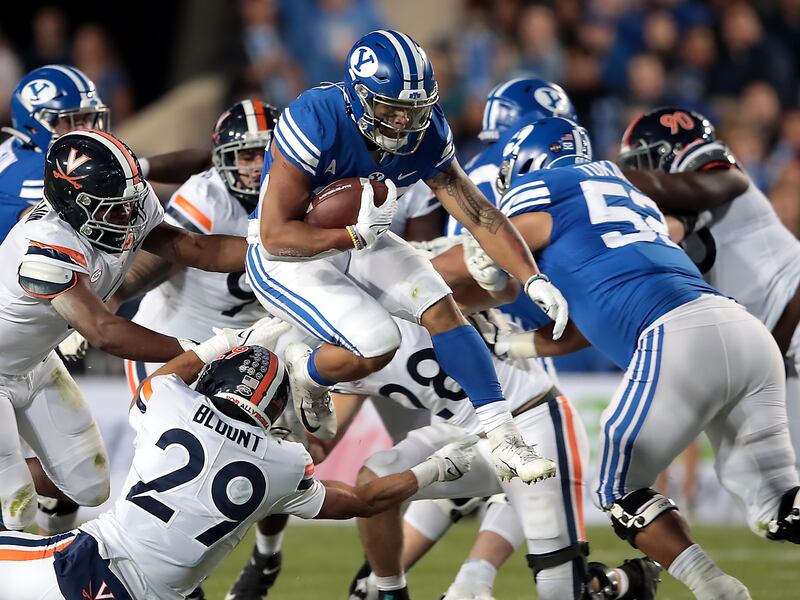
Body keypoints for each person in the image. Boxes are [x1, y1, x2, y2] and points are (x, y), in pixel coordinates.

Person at [460, 116, 800, 599]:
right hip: (747, 333)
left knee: (618, 489)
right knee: (781, 508)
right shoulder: (631, 199)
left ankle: (717, 589)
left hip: (677, 335)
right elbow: (576, 329)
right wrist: (508, 344)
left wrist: (419, 272)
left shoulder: (541, 188)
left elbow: (501, 245)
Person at [247, 30, 568, 485]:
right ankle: (310, 370)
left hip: (360, 237)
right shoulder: (315, 117)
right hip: (289, 254)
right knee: (379, 344)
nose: (401, 121)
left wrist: (532, 278)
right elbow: (275, 233)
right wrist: (349, 236)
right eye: (389, 108)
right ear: (359, 97)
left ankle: (503, 436)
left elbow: (477, 212)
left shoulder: (428, 130)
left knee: (441, 307)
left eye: (412, 110)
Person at [0, 334, 477, 600]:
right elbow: (362, 500)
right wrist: (437, 468)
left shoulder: (169, 403)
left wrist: (229, 341)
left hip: (90, 565)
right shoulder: (285, 461)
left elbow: (174, 372)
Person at [0, 129, 250, 533]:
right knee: (16, 511)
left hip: (34, 363)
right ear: (74, 205)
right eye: (114, 208)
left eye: (130, 203)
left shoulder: (122, 207)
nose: (129, 216)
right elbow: (104, 331)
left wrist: (269, 251)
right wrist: (198, 349)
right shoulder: (44, 245)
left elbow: (195, 249)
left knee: (89, 486)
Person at [618, 106, 800, 473]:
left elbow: (689, 189)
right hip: (780, 349)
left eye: (639, 164)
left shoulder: (714, 169)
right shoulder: (674, 215)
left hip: (793, 315)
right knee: (783, 483)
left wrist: (609, 177)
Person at [122, 99, 280, 392]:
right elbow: (158, 261)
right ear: (223, 159)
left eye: (264, 154)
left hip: (253, 339)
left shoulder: (299, 190)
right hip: (179, 337)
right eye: (246, 156)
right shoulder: (205, 197)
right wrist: (112, 295)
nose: (258, 166)